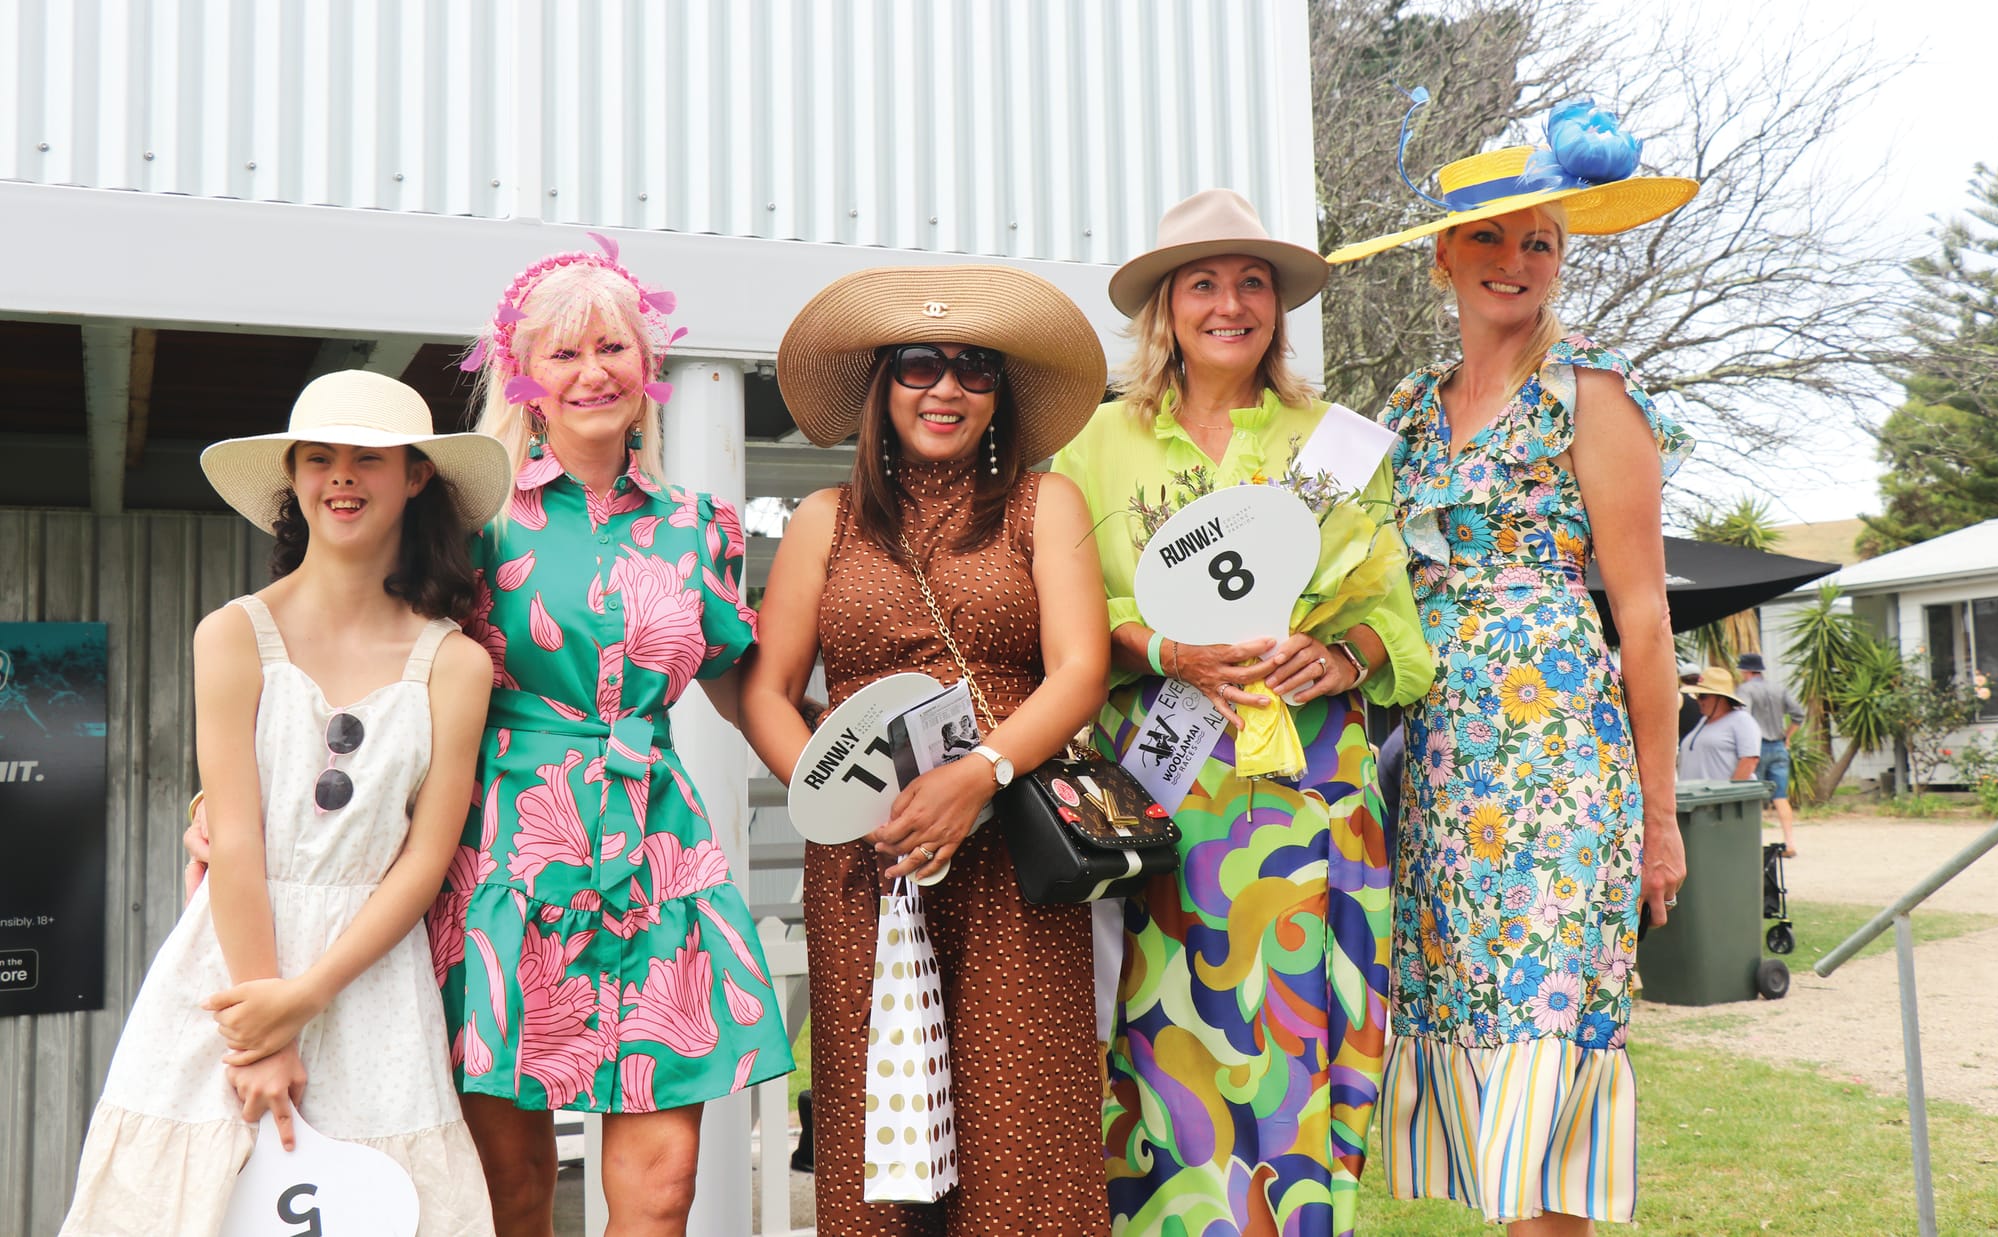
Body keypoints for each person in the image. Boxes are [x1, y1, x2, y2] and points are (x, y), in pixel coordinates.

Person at [1326, 91, 1698, 1231]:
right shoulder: (1397, 411)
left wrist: (1658, 812)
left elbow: (1642, 616)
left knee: (1546, 1051)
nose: (1513, 259)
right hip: (1440, 772)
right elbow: (1321, 557)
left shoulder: (1591, 391)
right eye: (1488, 235)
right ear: (1442, 255)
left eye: (1539, 239)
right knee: (1482, 1044)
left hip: (1558, 774)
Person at [1052, 189, 1432, 1237]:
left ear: (1277, 305)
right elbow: (1071, 622)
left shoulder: (1340, 444)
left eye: (1251, 282)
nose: (1230, 303)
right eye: (1204, 283)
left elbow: (1398, 632)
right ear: (1163, 308)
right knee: (1164, 1044)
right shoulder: (1093, 449)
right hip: (1170, 797)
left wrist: (1338, 655)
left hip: (1308, 791)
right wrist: (1161, 645)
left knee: (1300, 1050)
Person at [62, 370, 508, 1236]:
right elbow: (233, 836)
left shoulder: (455, 664)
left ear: (415, 475)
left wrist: (308, 997)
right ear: (294, 478)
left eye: (368, 458)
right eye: (319, 457)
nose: (341, 476)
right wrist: (264, 1022)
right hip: (232, 969)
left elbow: (424, 859)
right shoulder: (233, 633)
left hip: (372, 980)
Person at [430, 242, 794, 1237]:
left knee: (662, 1186)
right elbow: (391, 676)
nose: (593, 370)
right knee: (510, 1190)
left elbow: (736, 676)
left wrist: (823, 779)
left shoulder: (696, 525)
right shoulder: (472, 520)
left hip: (657, 856)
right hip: (507, 850)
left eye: (613, 346)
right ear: (524, 380)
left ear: (648, 367)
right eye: (563, 354)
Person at [742, 264, 1112, 1235]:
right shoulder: (822, 519)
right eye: (917, 363)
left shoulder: (1044, 504)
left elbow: (1078, 670)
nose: (945, 388)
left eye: (973, 368)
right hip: (868, 858)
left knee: (1020, 1119)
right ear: (879, 384)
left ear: (999, 395)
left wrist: (976, 775)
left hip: (1010, 847)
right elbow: (768, 692)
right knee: (879, 1128)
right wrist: (838, 799)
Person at [1735, 652, 1803, 855]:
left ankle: (1753, 844)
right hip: (1779, 746)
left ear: (1745, 671)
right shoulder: (1778, 688)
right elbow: (1799, 713)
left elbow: (1742, 717)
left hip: (1756, 748)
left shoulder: (1745, 689)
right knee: (1780, 797)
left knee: (1753, 798)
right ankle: (1790, 842)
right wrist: (1787, 736)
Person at [1678, 666, 1764, 783]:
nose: (1698, 700)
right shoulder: (1704, 722)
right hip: (1698, 797)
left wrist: (1731, 793)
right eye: (1697, 695)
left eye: (1703, 696)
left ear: (1721, 698)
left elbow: (1749, 760)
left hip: (1722, 798)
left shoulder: (1741, 720)